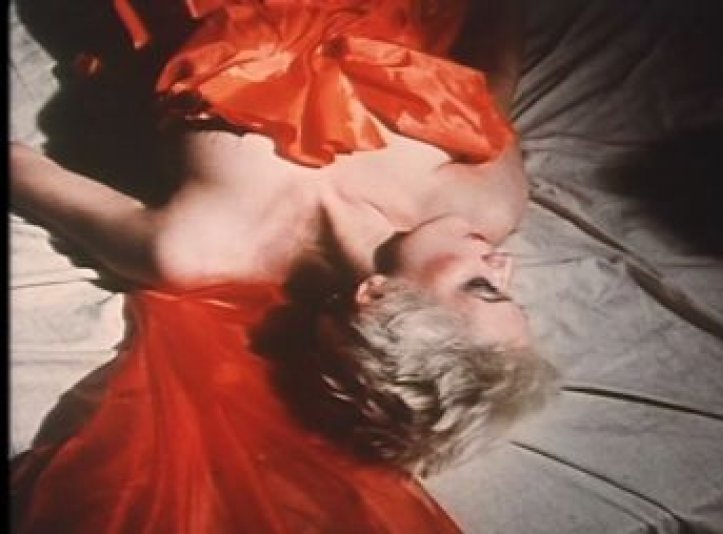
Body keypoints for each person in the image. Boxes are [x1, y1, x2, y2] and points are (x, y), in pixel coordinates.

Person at [10, 0, 557, 531]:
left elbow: (20, 170)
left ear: (378, 298)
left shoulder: (195, 247)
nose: (503, 263)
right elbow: (494, 73)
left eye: (484, 287)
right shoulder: (487, 203)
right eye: (508, 287)